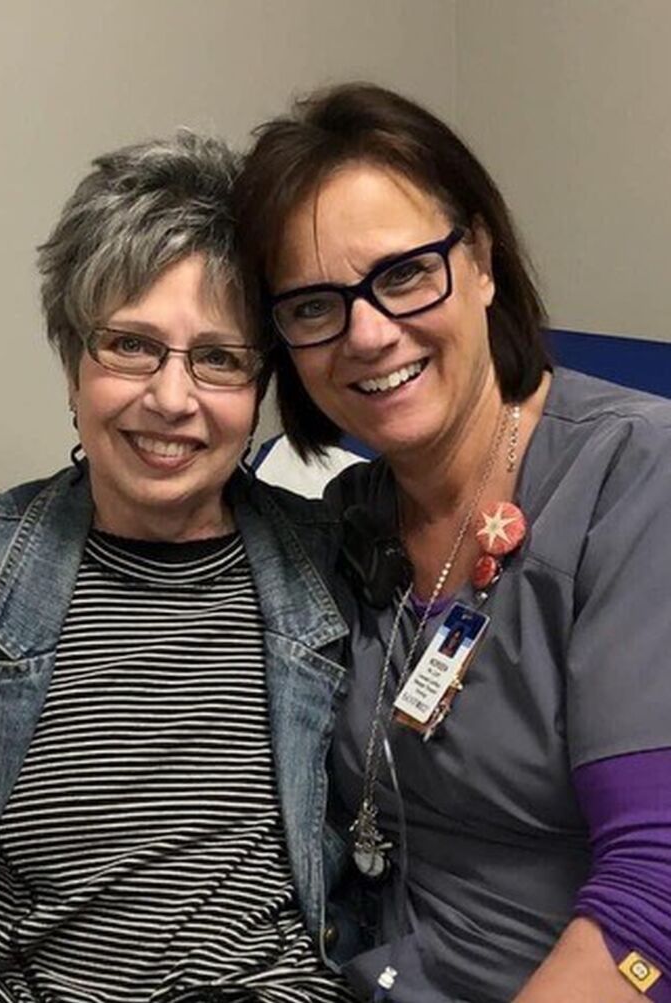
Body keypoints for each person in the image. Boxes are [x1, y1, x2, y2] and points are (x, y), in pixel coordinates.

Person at [0, 132, 356, 1003]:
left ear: (261, 388)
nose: (172, 398)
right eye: (131, 345)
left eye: (219, 358)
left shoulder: (334, 558)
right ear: (73, 361)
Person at [234, 83, 671, 1002]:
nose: (365, 333)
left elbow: (653, 899)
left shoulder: (635, 483)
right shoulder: (342, 520)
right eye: (314, 305)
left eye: (402, 274)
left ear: (480, 259)